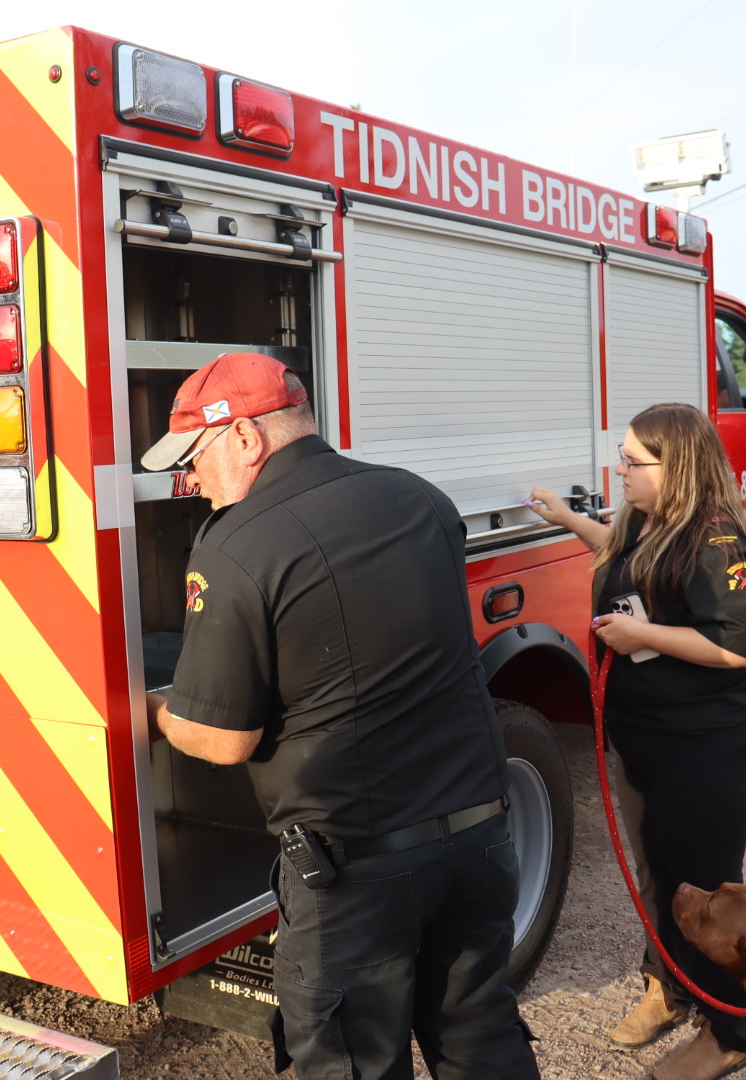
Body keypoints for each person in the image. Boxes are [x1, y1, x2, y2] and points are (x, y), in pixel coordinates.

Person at [140, 353, 539, 1080]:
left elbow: (223, 740)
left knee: (353, 1061)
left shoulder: (235, 544)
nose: (190, 481)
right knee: (481, 1037)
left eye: (193, 457)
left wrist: (152, 711)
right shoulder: (418, 497)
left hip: (359, 873)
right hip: (479, 839)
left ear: (246, 438)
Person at [528, 403, 746, 1080]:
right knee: (659, 876)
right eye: (623, 458)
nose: (622, 471)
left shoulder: (719, 542)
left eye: (635, 462)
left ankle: (728, 1032)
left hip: (709, 744)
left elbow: (737, 648)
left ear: (680, 467)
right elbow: (620, 557)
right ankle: (669, 987)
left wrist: (642, 636)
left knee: (710, 892)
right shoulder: (645, 519)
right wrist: (568, 519)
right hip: (647, 736)